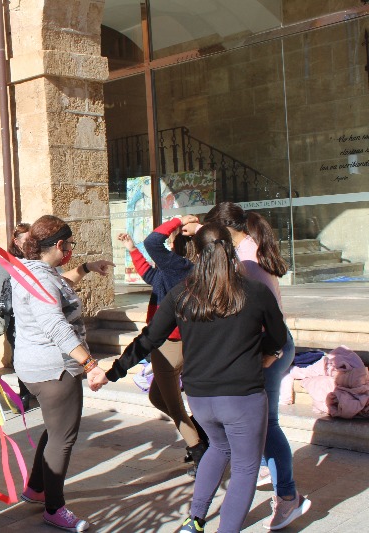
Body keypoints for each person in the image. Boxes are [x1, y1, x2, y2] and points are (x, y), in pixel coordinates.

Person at [102, 223, 287, 533]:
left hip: (201, 399)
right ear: (230, 250)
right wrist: (269, 352)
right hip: (242, 397)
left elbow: (148, 339)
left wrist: (114, 372)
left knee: (218, 448)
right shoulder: (255, 292)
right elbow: (278, 336)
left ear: (197, 254)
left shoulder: (181, 294)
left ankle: (194, 520)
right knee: (243, 468)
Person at [201, 202, 311, 529]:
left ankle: (289, 498)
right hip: (273, 344)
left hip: (269, 347)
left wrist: (267, 354)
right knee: (260, 425)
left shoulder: (246, 261)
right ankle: (267, 468)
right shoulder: (250, 247)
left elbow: (262, 317)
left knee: (268, 425)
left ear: (225, 230)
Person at [12, 215, 111, 533]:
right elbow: (55, 324)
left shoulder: (31, 272)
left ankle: (36, 489)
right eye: (70, 245)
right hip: (54, 369)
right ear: (59, 245)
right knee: (63, 438)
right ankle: (55, 509)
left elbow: (59, 288)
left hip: (34, 366)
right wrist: (90, 364)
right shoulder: (41, 279)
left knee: (54, 430)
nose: (71, 251)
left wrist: (86, 268)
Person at [109, 216, 208, 477]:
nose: (169, 239)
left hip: (169, 343)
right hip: (180, 342)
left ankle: (200, 451)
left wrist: (176, 220)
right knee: (157, 397)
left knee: (174, 407)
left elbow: (153, 242)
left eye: (173, 236)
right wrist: (132, 249)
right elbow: (152, 276)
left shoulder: (181, 267)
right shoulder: (181, 270)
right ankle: (200, 434)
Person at [0, 222, 33, 412]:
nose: (30, 243)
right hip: (15, 320)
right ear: (17, 242)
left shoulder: (38, 259)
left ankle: (34, 390)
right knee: (20, 356)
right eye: (27, 240)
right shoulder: (7, 263)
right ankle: (24, 393)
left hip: (35, 317)